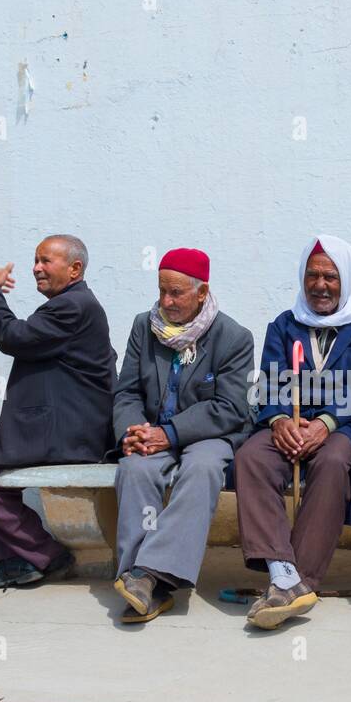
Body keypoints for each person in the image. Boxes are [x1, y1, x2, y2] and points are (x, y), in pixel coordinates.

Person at [234, 235, 351, 629]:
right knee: (251, 456)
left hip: (347, 427)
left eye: (331, 277)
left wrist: (326, 422)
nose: (320, 285)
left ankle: (299, 580)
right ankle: (281, 572)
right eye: (312, 275)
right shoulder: (284, 325)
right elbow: (269, 384)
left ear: (347, 278)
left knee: (334, 459)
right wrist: (279, 420)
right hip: (292, 422)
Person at [0, 234, 115, 589]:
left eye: (46, 261)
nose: (36, 268)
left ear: (75, 269)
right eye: (35, 260)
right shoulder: (73, 304)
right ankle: (15, 560)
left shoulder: (73, 306)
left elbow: (13, 336)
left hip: (68, 436)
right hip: (63, 430)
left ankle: (41, 553)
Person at [111, 248, 254, 623]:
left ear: (202, 292)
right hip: (152, 428)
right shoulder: (145, 325)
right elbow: (126, 391)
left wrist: (169, 433)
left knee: (204, 469)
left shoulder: (233, 337)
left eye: (176, 293)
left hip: (207, 434)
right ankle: (144, 584)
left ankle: (147, 575)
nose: (166, 301)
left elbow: (230, 408)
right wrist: (132, 432)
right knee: (134, 469)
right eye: (162, 291)